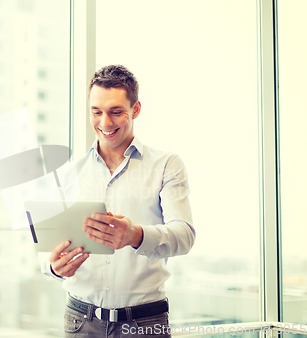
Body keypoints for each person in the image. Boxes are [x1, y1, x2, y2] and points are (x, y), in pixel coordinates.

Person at [44, 64, 195, 337]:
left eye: (116, 112)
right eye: (96, 112)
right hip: (80, 321)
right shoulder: (69, 173)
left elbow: (184, 236)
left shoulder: (166, 165)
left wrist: (135, 235)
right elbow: (47, 247)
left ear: (135, 110)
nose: (105, 123)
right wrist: (53, 267)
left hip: (144, 323)